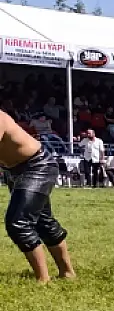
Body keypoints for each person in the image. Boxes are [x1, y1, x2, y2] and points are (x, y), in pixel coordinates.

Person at [1, 109, 76, 283]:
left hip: (37, 165)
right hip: (14, 171)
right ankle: (67, 273)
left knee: (18, 223)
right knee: (44, 222)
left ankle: (43, 280)